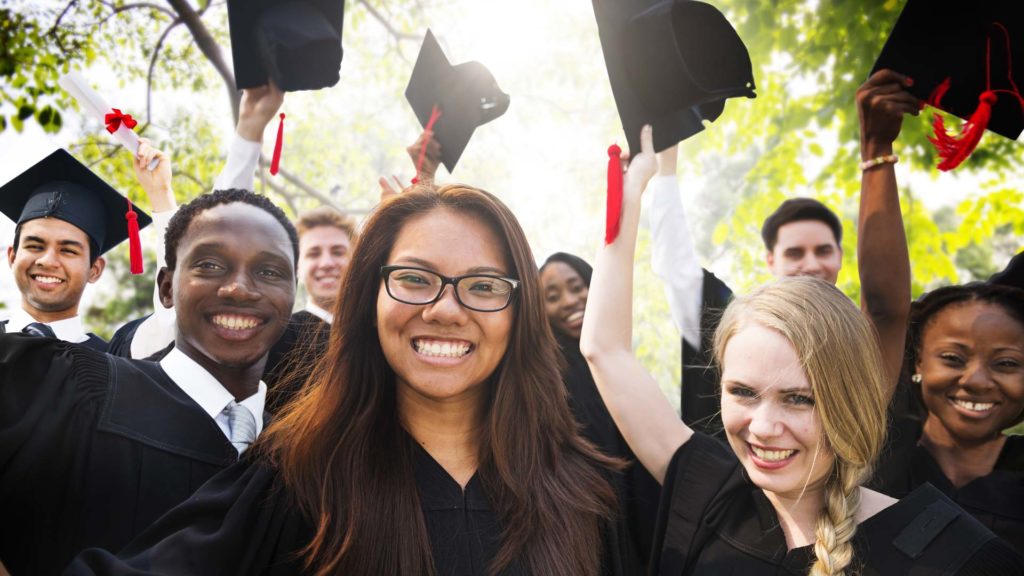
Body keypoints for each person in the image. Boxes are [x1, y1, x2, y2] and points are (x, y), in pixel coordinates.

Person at [69, 184, 632, 576]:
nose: (445, 309)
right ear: (370, 299)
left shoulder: (582, 490)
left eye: (483, 286)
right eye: (415, 278)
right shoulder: (299, 479)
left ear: (519, 311)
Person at [580, 124, 1023, 575]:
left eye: (799, 398)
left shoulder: (950, 554)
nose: (764, 427)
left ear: (851, 400)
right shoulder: (711, 492)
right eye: (743, 392)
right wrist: (633, 192)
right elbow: (604, 349)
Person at [0, 188, 297, 575]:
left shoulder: (304, 456)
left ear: (293, 295)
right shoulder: (70, 389)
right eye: (209, 265)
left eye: (270, 271)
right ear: (166, 288)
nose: (239, 287)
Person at [650, 69, 914, 434]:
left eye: (823, 250)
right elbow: (677, 269)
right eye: (745, 392)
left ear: (840, 257)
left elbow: (885, 308)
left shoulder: (856, 347)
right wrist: (664, 169)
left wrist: (877, 150)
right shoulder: (733, 324)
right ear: (770, 261)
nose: (811, 265)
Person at [871, 282, 1024, 552]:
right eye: (953, 358)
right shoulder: (876, 462)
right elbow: (884, 310)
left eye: (1007, 363)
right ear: (919, 361)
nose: (976, 381)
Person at [539, 252, 660, 563]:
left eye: (577, 287)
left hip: (649, 512)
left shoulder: (621, 364)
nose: (568, 300)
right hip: (590, 523)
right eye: (552, 296)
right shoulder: (548, 382)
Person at [0, 144, 170, 351]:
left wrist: (161, 195)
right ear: (12, 256)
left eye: (68, 250)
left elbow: (178, 310)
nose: (47, 260)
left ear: (94, 269)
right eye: (35, 246)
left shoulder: (115, 365)